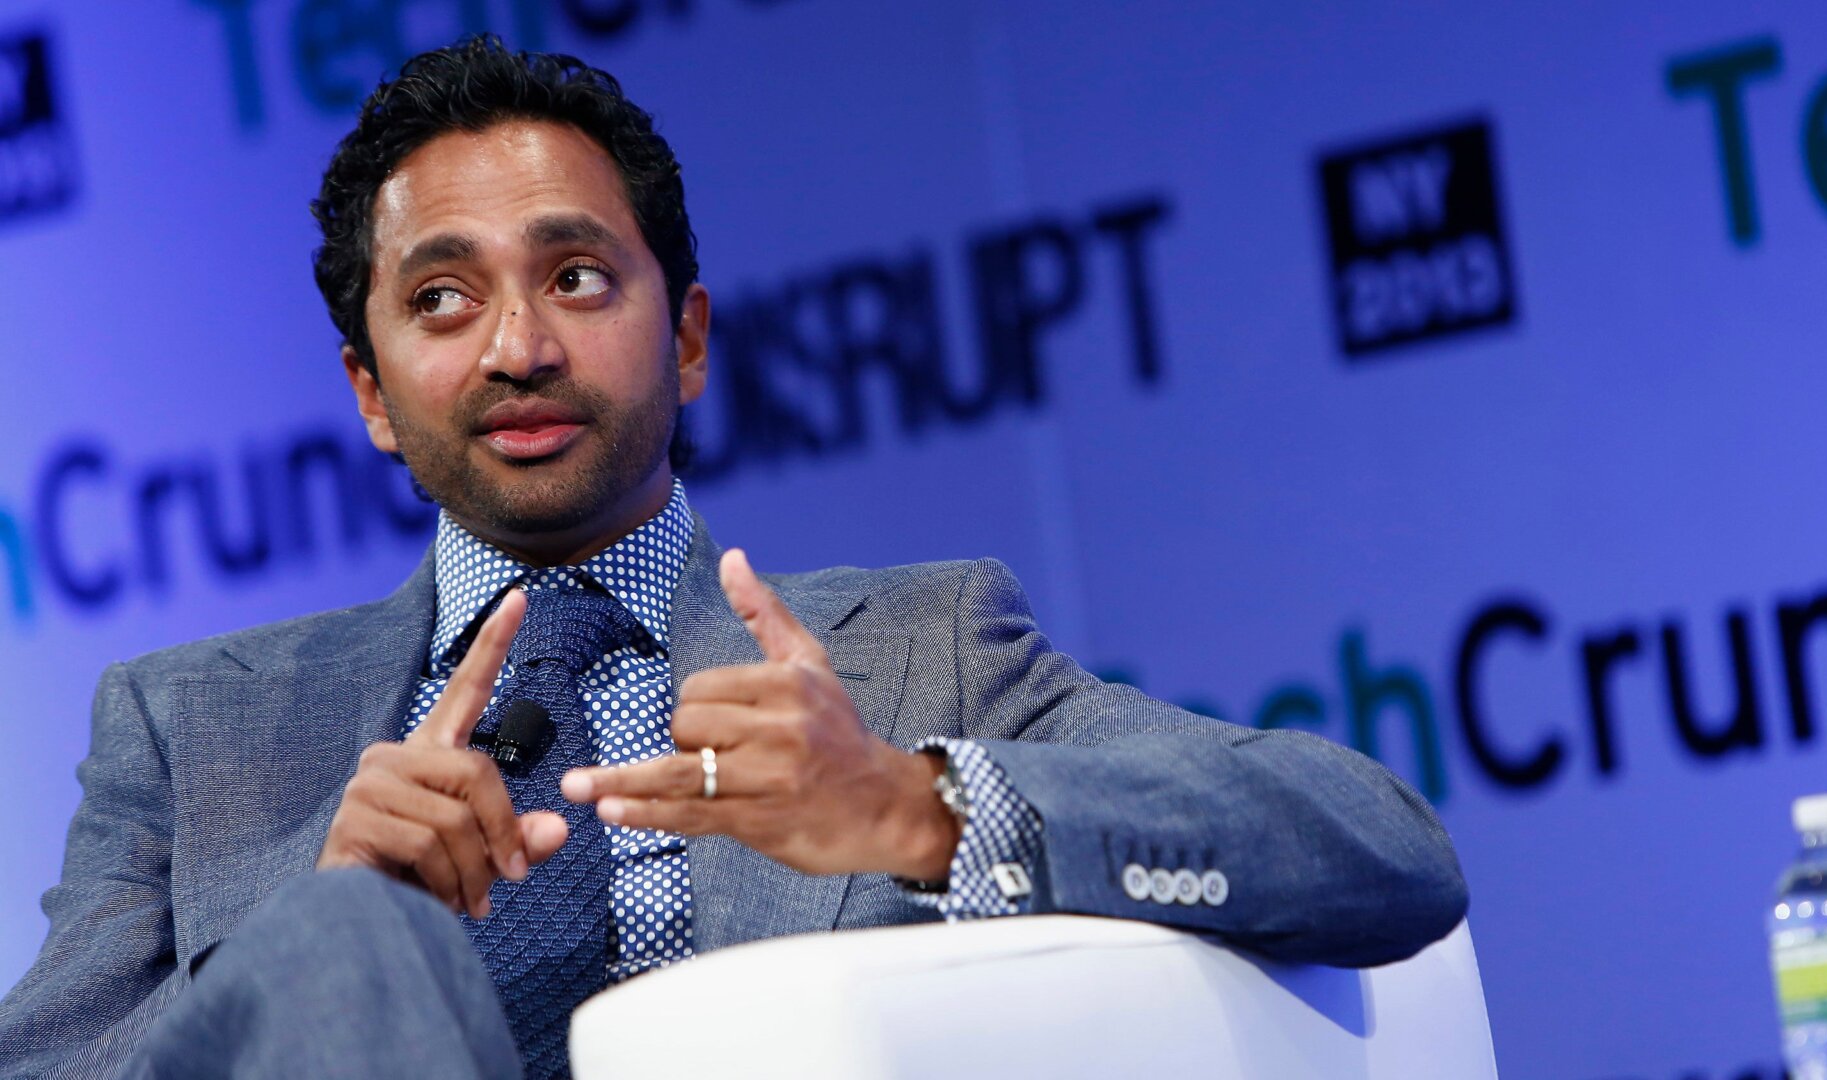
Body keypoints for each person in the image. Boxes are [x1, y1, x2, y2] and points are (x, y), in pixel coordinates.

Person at [0, 36, 1468, 1080]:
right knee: (336, 952)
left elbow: (1382, 848)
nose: (520, 347)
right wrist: (307, 937)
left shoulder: (917, 648)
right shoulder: (195, 727)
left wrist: (914, 808)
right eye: (441, 299)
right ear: (372, 396)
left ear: (687, 337)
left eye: (577, 278)